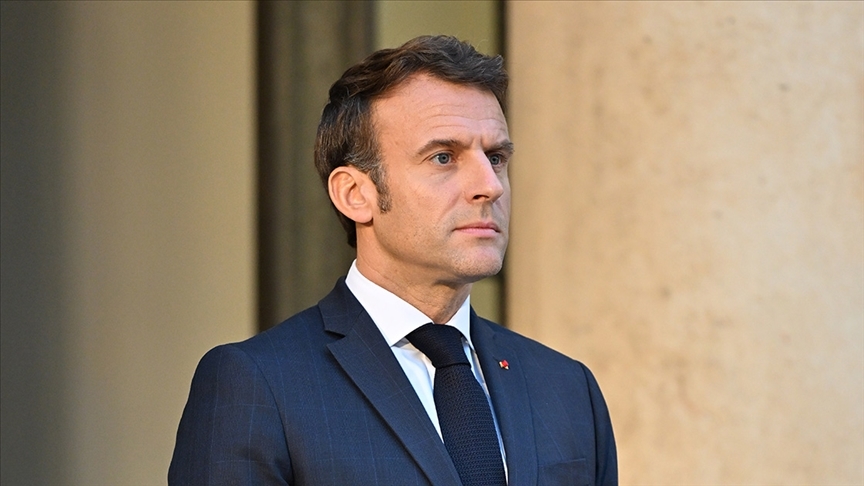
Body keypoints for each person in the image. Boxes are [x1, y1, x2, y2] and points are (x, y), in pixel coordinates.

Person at [169, 35, 617, 485]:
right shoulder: (258, 385)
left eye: (496, 157)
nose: (490, 185)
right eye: (443, 157)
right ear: (355, 194)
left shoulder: (566, 388)